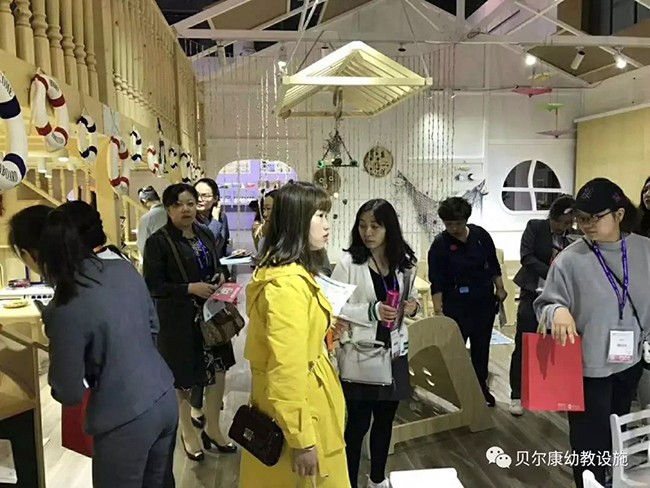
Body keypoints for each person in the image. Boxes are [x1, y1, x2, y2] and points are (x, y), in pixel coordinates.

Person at [9, 202, 177, 488]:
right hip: (163, 396)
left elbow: (68, 390)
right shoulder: (122, 268)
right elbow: (153, 327)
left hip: (124, 417)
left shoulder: (65, 304)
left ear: (29, 255)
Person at [535, 178, 650, 488]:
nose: (585, 225)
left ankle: (611, 479)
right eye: (581, 218)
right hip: (587, 368)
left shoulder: (645, 251)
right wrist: (558, 311)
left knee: (616, 431)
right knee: (589, 441)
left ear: (619, 214)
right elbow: (544, 303)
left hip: (629, 362)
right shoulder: (570, 259)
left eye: (594, 217)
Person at [240, 181, 349, 488]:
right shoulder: (286, 286)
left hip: (301, 405)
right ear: (297, 221)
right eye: (320, 216)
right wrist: (302, 440)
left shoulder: (288, 273)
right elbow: (285, 370)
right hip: (302, 411)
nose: (327, 225)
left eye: (327, 216)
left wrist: (322, 327)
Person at [143, 183, 236, 462]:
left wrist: (220, 276)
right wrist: (189, 288)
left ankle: (213, 428)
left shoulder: (205, 233)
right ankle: (187, 432)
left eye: (190, 203)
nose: (185, 209)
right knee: (182, 379)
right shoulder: (159, 242)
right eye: (178, 204)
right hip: (178, 320)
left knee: (218, 370)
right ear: (168, 208)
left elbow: (216, 263)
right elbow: (153, 285)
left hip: (210, 314)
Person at [331, 199, 419, 488]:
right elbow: (333, 307)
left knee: (385, 421)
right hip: (362, 354)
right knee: (357, 426)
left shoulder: (403, 262)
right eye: (362, 225)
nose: (367, 232)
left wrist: (413, 306)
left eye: (375, 226)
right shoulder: (349, 263)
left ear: (388, 228)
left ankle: (378, 480)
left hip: (395, 353)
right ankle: (349, 483)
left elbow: (412, 296)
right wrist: (371, 311)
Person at [427, 197, 507, 406]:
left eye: (458, 223)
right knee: (455, 350)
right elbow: (436, 280)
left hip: (483, 301)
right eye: (448, 224)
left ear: (466, 220)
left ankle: (481, 389)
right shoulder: (440, 244)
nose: (453, 228)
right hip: (456, 303)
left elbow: (493, 264)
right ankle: (457, 393)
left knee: (481, 349)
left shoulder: (480, 236)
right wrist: (438, 311)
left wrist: (500, 288)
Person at [508, 194, 576, 416]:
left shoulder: (572, 237)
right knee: (524, 342)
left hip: (559, 298)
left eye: (569, 223)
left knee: (555, 344)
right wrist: (554, 274)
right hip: (532, 292)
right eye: (562, 222)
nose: (565, 227)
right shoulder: (535, 227)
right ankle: (517, 394)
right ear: (553, 217)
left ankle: (550, 392)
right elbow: (527, 257)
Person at [194, 178, 230, 256]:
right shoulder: (190, 220)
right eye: (196, 195)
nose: (199, 199)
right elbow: (205, 244)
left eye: (205, 196)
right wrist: (215, 220)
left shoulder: (222, 216)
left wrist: (234, 253)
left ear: (215, 198)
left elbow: (224, 243)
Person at [136, 186, 167, 255]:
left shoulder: (146, 218)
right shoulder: (171, 212)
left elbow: (143, 245)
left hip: (157, 257)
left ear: (144, 201)